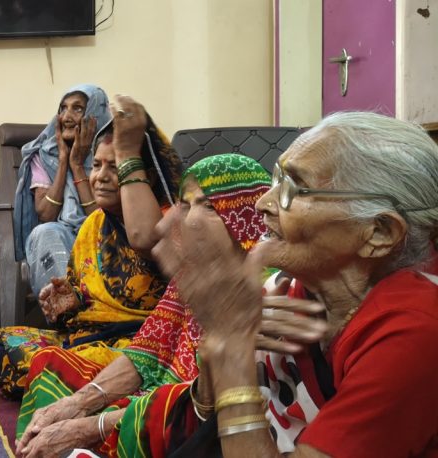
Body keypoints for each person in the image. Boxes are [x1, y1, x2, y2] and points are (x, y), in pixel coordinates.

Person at [103, 111, 438, 458]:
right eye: (277, 179)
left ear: (379, 232)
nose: (262, 202)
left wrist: (232, 354)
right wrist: (219, 349)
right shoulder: (286, 289)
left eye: (293, 188)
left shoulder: (416, 332)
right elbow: (202, 415)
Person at [16, 153, 275, 458]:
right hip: (156, 392)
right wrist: (77, 404)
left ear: (246, 213)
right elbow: (148, 350)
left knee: (145, 419)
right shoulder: (193, 270)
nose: (190, 220)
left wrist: (88, 427)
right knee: (50, 367)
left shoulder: (268, 293)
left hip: (201, 419)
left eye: (209, 207)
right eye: (185, 205)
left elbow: (204, 404)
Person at [0, 96, 183, 400]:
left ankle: (108, 384)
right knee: (1, 344)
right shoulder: (94, 224)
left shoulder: (167, 219)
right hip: (91, 337)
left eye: (115, 167)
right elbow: (83, 294)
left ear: (146, 176)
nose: (101, 177)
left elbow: (144, 239)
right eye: (97, 165)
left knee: (51, 364)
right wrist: (69, 300)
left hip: (143, 343)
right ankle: (84, 380)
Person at [14, 84, 109, 296]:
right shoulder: (45, 155)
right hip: (63, 237)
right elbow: (46, 214)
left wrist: (77, 165)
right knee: (45, 232)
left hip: (104, 235)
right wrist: (63, 160)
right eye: (63, 108)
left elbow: (100, 219)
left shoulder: (110, 154)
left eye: (78, 109)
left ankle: (98, 311)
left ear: (95, 114)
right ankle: (66, 309)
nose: (66, 116)